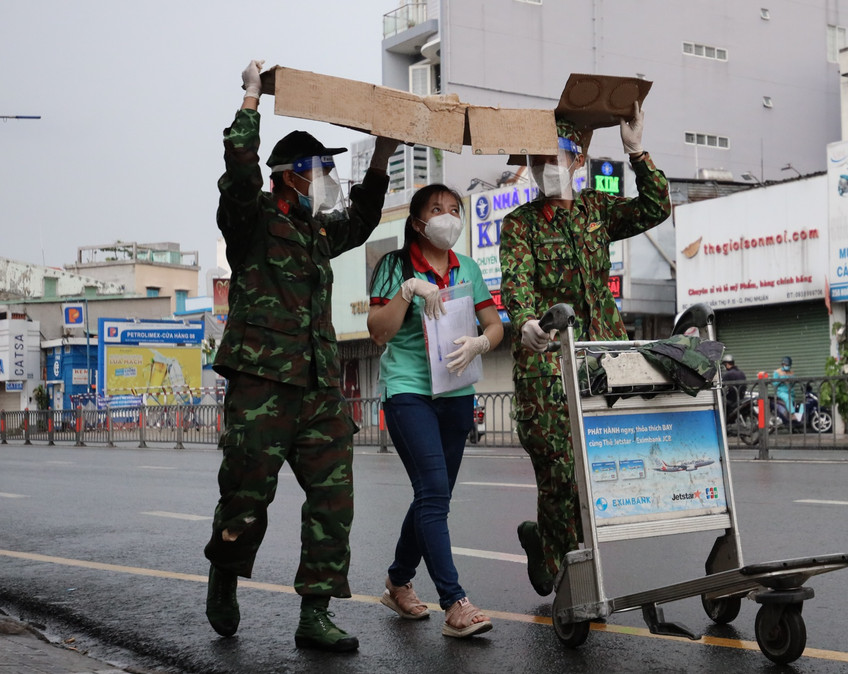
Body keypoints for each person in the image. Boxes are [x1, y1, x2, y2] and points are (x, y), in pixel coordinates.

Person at [204, 60, 400, 652]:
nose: (329, 179)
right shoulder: (252, 220)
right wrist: (251, 101)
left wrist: (382, 157)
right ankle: (225, 572)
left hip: (318, 387)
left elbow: (361, 220)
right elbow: (240, 173)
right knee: (246, 496)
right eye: (322, 170)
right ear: (292, 176)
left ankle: (315, 613)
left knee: (333, 500)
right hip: (262, 383)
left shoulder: (317, 231)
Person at [500, 104, 672, 596]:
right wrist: (527, 321)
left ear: (578, 159)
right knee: (559, 473)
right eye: (537, 160)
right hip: (547, 366)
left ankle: (546, 543)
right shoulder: (520, 224)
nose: (546, 167)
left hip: (601, 362)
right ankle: (568, 575)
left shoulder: (597, 208)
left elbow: (656, 208)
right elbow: (516, 282)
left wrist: (636, 151)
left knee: (597, 469)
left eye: (556, 156)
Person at [367, 184, 502, 638]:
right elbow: (378, 332)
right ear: (418, 221)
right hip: (409, 391)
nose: (448, 216)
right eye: (437, 209)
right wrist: (408, 290)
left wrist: (482, 342)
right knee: (433, 492)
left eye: (454, 209)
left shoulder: (469, 268)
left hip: (457, 391)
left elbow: (494, 324)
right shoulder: (394, 266)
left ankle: (397, 581)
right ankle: (455, 603)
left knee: (433, 494)